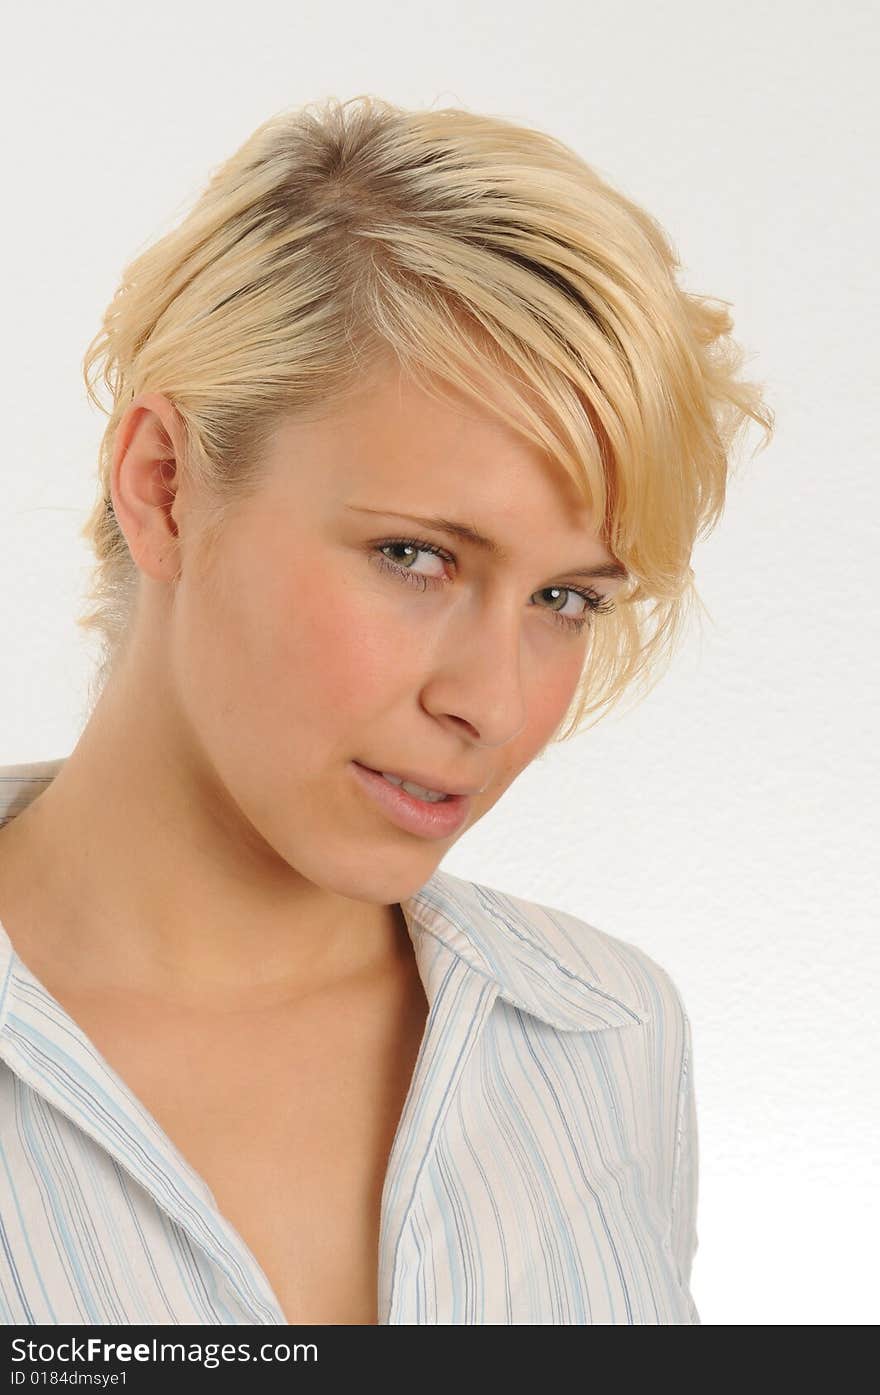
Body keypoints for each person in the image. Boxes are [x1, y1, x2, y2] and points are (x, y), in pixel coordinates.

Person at [0, 94, 772, 1326]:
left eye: (566, 597)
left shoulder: (606, 1037)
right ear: (163, 487)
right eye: (416, 557)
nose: (493, 701)